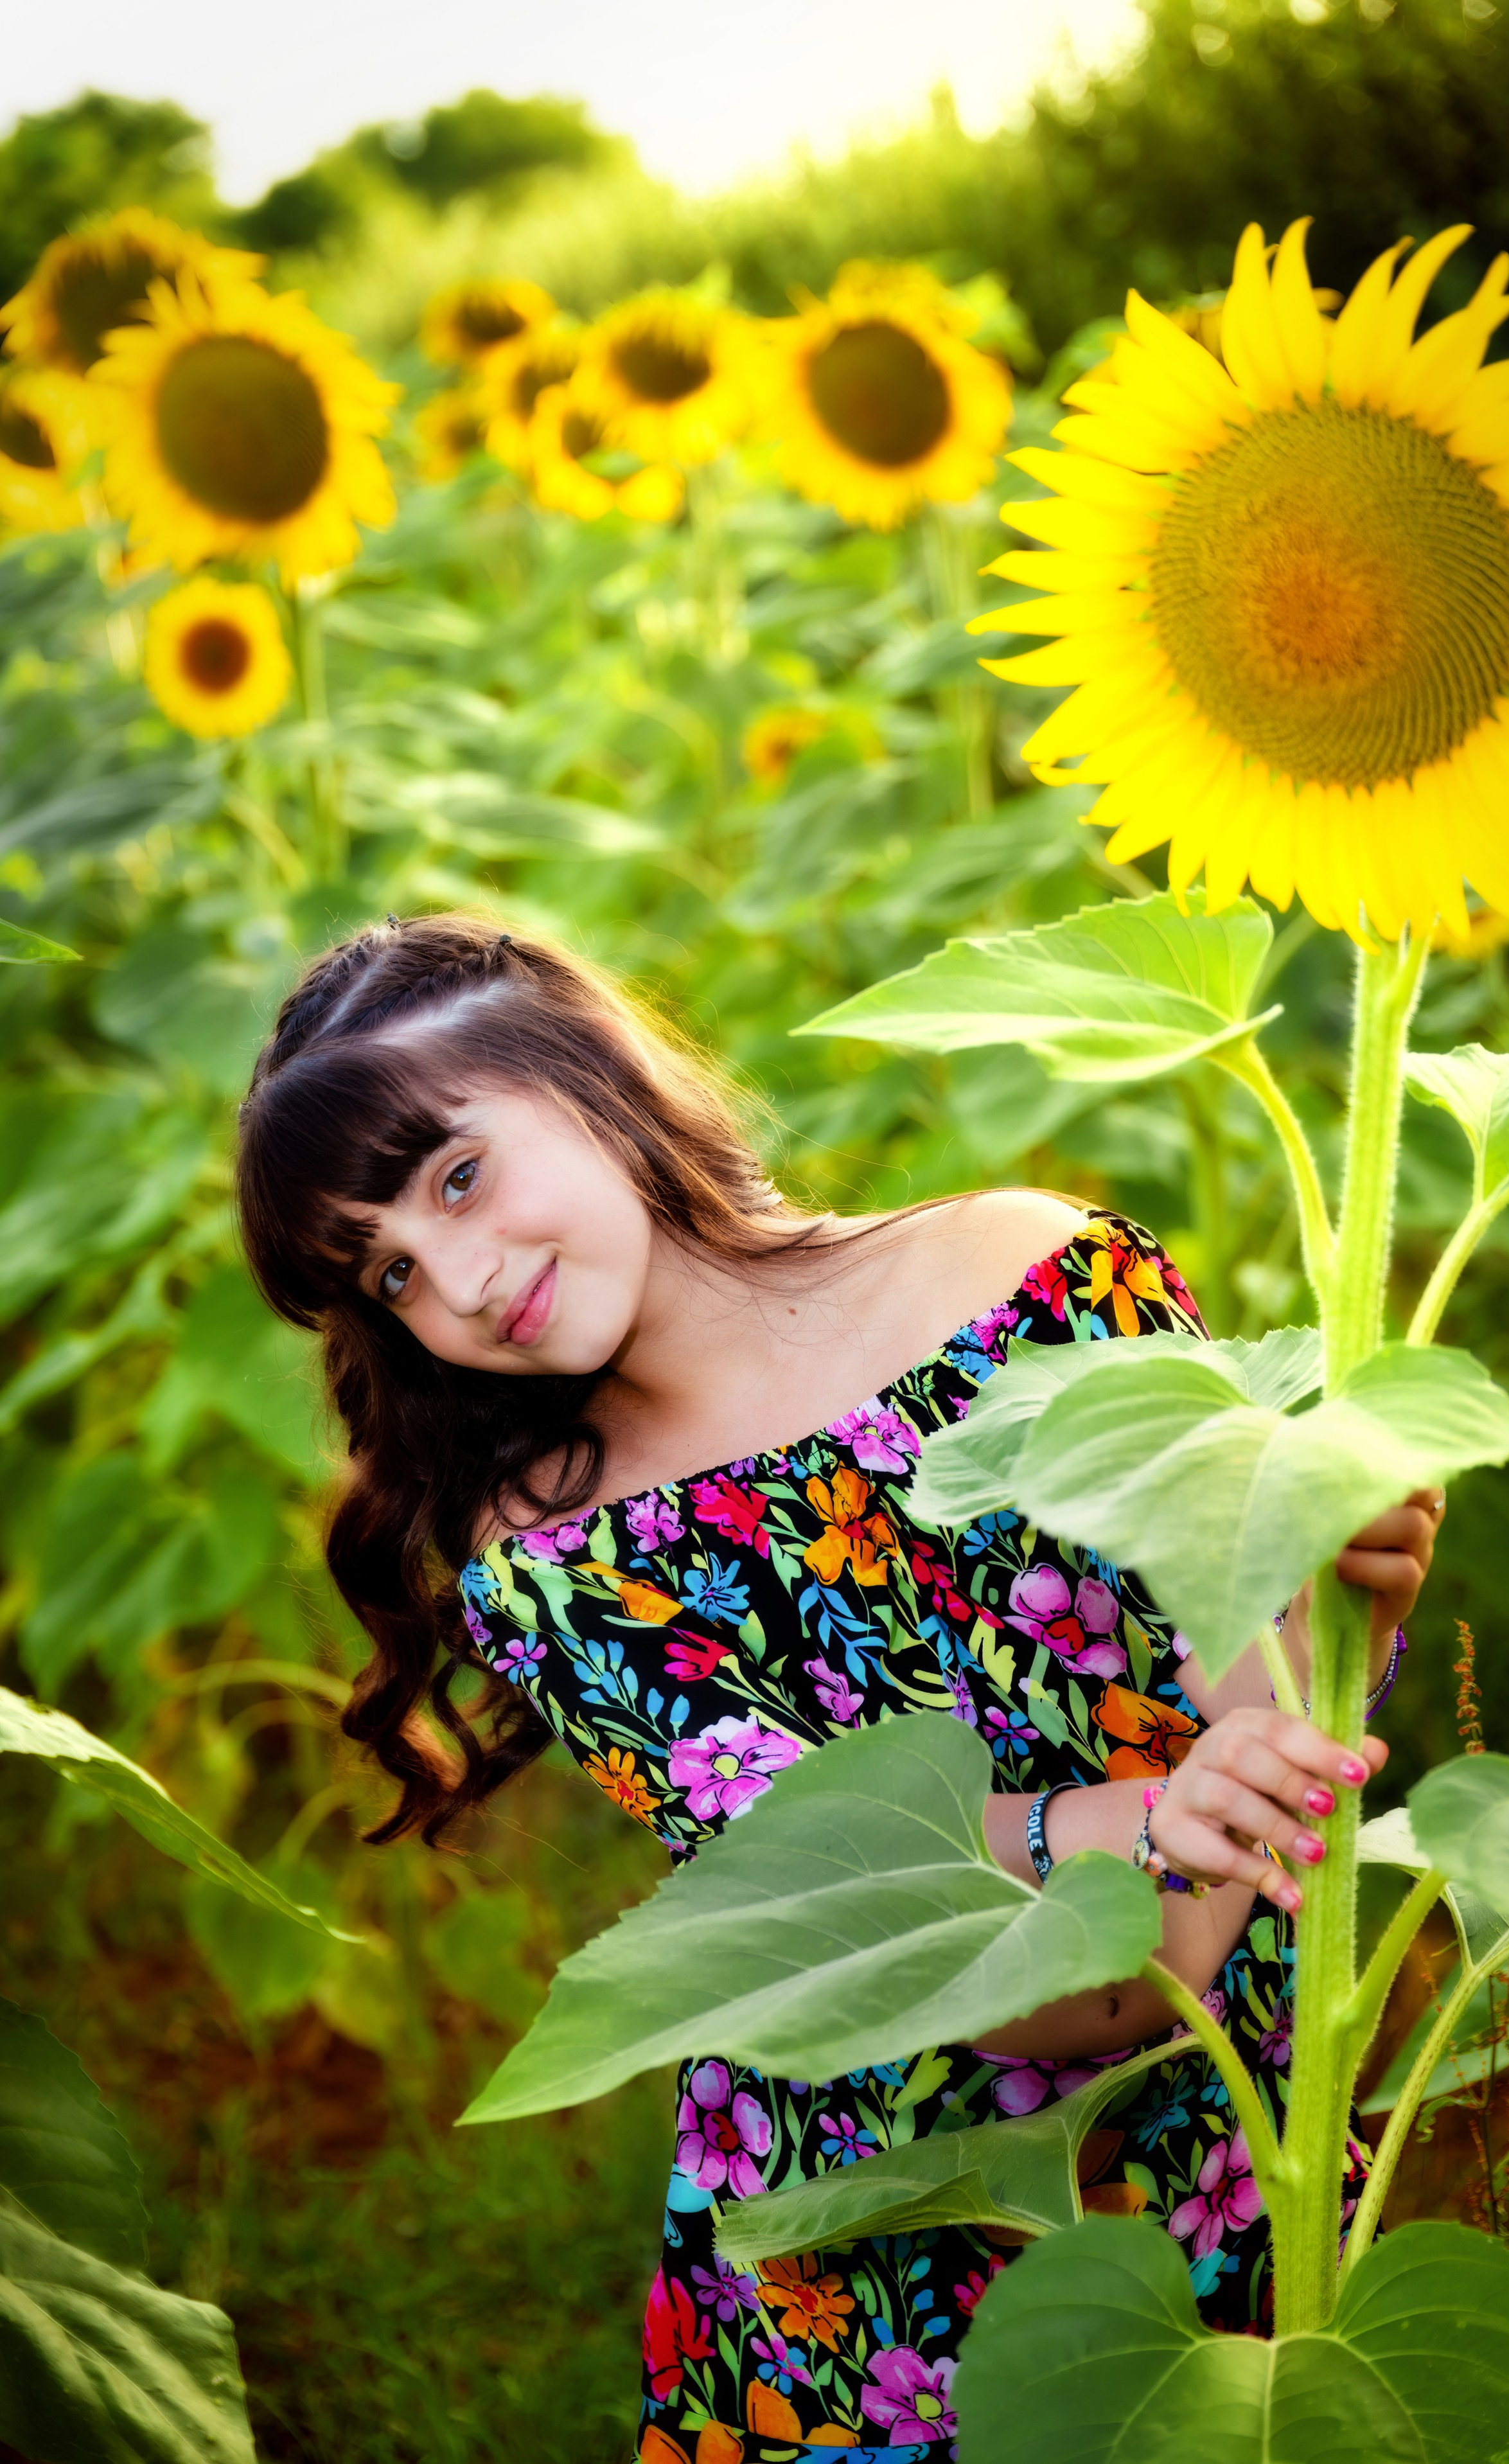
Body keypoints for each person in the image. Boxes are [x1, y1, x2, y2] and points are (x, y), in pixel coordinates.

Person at [237, 914, 1442, 2464]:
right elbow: (934, 1930)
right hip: (885, 2261)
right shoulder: (550, 1552)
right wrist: (1185, 1811)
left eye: (459, 1175)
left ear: (591, 1072)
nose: (458, 1282)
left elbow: (1246, 1668)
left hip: (1230, 2141)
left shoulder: (1029, 1269)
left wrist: (1334, 1576)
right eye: (390, 1270)